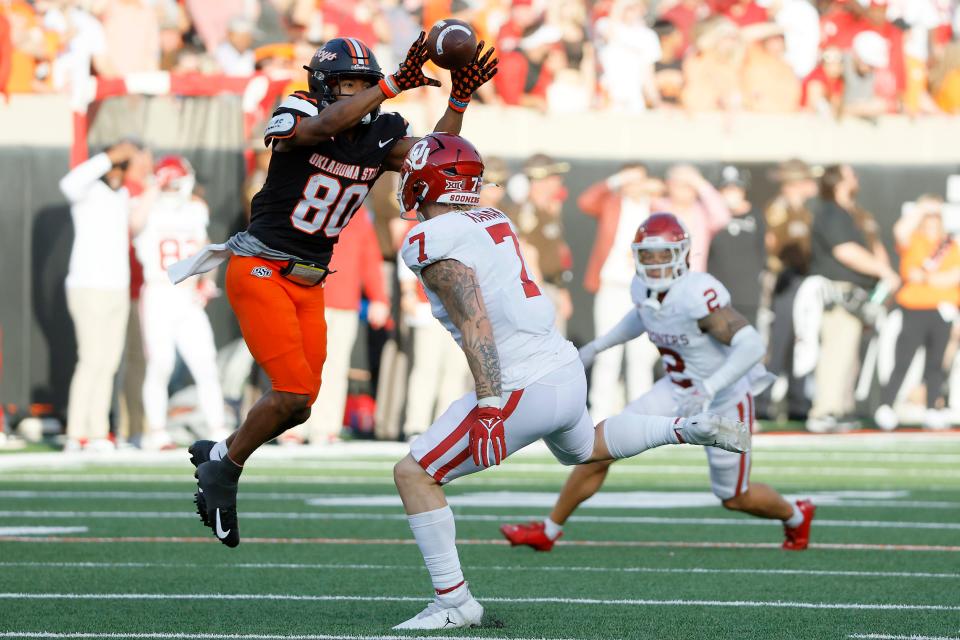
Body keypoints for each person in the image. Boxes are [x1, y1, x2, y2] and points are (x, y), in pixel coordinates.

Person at [391, 135, 749, 630]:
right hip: (560, 366)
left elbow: (475, 320)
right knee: (581, 449)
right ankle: (686, 428)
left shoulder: (429, 240)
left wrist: (491, 403)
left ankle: (454, 601)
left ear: (426, 181)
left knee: (414, 474)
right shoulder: (493, 217)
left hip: (516, 381)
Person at [173, 34, 498, 547]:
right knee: (292, 392)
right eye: (348, 84)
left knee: (301, 406)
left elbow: (432, 158)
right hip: (260, 265)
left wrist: (458, 98)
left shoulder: (380, 129)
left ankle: (220, 455)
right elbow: (322, 128)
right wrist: (391, 83)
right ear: (323, 85)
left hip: (310, 279)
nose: (357, 93)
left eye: (363, 85)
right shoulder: (299, 110)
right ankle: (225, 468)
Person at [501, 213, 813, 555]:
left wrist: (708, 388)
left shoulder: (698, 293)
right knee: (595, 450)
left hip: (724, 397)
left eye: (663, 254)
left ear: (682, 253)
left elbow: (752, 346)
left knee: (734, 497)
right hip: (675, 388)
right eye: (647, 255)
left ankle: (796, 515)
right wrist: (597, 346)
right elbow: (644, 315)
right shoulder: (642, 287)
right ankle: (548, 530)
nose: (654, 263)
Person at [133, 155, 227, 450]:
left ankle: (219, 428)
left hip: (187, 295)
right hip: (159, 292)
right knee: (160, 363)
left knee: (206, 363)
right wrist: (153, 186)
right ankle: (157, 431)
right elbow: (134, 225)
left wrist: (208, 282)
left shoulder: (196, 209)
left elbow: (205, 247)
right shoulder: (146, 208)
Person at [60, 140, 143, 452]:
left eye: (123, 166)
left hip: (117, 287)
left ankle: (96, 431)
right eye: (116, 165)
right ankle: (76, 431)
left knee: (108, 362)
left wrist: (140, 171)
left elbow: (139, 223)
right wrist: (109, 156)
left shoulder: (122, 195)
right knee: (90, 358)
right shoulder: (86, 191)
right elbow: (68, 182)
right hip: (87, 284)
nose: (119, 171)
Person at [806, 164, 899, 432]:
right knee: (837, 350)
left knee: (849, 355)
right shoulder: (830, 212)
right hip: (839, 291)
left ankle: (841, 407)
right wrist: (884, 271)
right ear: (837, 181)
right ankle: (825, 410)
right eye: (850, 175)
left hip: (859, 293)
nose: (856, 178)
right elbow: (845, 250)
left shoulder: (855, 213)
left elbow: (870, 244)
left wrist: (884, 275)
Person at [578, 163, 662, 418]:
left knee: (641, 355)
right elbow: (585, 201)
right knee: (607, 353)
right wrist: (615, 180)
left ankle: (641, 413)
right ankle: (599, 414)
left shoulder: (655, 207)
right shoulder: (612, 203)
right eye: (630, 180)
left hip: (644, 288)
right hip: (612, 286)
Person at [875, 195, 959, 431]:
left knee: (936, 364)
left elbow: (954, 276)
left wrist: (926, 278)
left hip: (942, 312)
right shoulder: (914, 241)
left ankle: (932, 407)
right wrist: (922, 208)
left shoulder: (951, 246)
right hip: (914, 310)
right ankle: (886, 405)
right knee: (903, 359)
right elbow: (899, 231)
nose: (932, 222)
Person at [707, 165, 766, 326]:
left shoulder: (756, 216)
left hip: (747, 296)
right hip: (716, 296)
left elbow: (763, 251)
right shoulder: (711, 216)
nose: (731, 193)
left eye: (736, 188)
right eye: (726, 188)